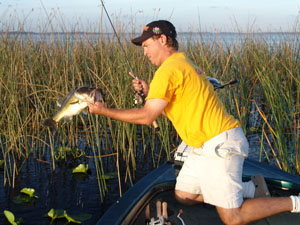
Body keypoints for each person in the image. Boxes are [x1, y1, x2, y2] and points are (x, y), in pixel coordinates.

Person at [87, 20, 300, 225]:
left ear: (161, 39)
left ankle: (295, 203)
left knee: (232, 217)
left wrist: (104, 111)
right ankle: (251, 190)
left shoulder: (167, 70)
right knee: (184, 194)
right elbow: (180, 103)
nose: (144, 53)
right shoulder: (182, 62)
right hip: (204, 144)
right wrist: (150, 92)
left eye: (146, 46)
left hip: (220, 143)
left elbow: (147, 116)